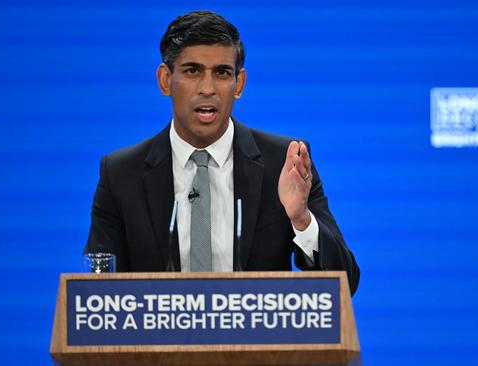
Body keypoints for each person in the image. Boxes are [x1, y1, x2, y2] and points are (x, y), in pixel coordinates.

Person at [85, 10, 359, 294]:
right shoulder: (121, 174)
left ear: (238, 84)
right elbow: (97, 295)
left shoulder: (285, 162)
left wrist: (301, 219)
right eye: (192, 71)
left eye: (221, 73)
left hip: (258, 338)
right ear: (165, 80)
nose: (207, 88)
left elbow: (345, 284)